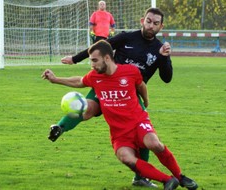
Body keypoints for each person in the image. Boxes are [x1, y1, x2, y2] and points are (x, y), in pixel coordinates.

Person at [42, 40, 198, 190]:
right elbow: (79, 81)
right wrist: (55, 79)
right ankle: (168, 180)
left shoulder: (130, 71)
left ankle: (180, 176)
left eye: (95, 60)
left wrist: (145, 100)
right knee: (126, 157)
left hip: (137, 122)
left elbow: (141, 85)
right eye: (91, 61)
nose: (92, 65)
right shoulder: (95, 76)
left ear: (107, 58)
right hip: (119, 132)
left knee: (154, 143)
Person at [51, 7, 172, 187]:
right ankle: (59, 127)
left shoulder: (159, 48)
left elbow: (167, 78)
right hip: (106, 84)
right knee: (87, 107)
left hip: (131, 94)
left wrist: (163, 57)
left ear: (161, 26)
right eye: (148, 21)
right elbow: (100, 47)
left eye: (155, 23)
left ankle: (140, 177)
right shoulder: (127, 37)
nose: (151, 26)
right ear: (142, 20)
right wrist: (75, 59)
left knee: (143, 136)